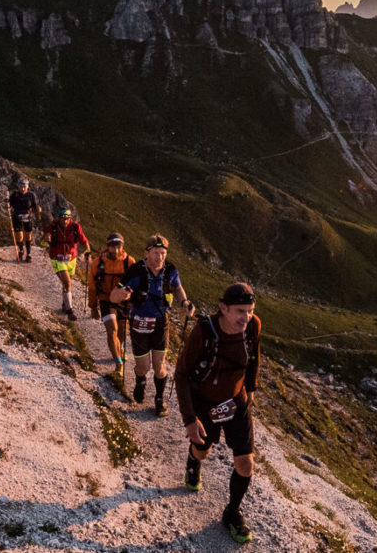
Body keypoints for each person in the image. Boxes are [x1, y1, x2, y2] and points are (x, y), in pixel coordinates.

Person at [176, 282, 262, 544]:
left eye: (249, 310)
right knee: (204, 450)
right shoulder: (203, 331)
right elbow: (181, 375)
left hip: (236, 402)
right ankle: (194, 460)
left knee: (246, 463)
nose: (245, 317)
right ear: (223, 308)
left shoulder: (253, 326)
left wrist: (251, 391)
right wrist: (191, 421)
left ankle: (232, 512)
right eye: (239, 311)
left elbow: (254, 358)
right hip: (204, 402)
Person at [110, 234, 190, 415]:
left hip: (161, 322)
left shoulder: (170, 270)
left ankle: (159, 399)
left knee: (160, 366)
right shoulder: (136, 271)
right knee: (143, 366)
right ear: (147, 253)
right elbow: (113, 296)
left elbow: (177, 288)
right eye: (156, 253)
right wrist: (122, 294)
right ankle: (141, 380)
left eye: (163, 253)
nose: (160, 257)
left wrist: (184, 302)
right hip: (139, 323)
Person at [86, 232, 136, 381]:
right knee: (111, 330)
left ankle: (119, 348)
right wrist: (93, 307)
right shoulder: (98, 262)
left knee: (121, 331)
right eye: (113, 246)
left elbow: (137, 282)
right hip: (106, 299)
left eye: (118, 246)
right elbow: (92, 286)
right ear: (107, 246)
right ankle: (118, 363)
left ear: (123, 246)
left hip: (123, 301)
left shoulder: (129, 262)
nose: (116, 249)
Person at [45, 207, 89, 316]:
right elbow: (46, 236)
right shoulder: (53, 226)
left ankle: (64, 304)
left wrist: (88, 253)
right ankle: (70, 310)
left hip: (71, 259)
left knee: (66, 283)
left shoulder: (75, 227)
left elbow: (83, 240)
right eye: (62, 218)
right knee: (67, 282)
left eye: (67, 219)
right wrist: (47, 239)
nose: (64, 221)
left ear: (70, 219)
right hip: (57, 258)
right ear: (59, 218)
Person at [6, 179, 40, 262]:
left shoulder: (31, 195)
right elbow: (9, 203)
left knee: (28, 236)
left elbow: (35, 205)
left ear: (27, 187)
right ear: (19, 186)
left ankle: (28, 254)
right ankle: (21, 250)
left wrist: (38, 209)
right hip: (17, 216)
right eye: (21, 186)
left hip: (28, 216)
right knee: (19, 236)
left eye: (24, 187)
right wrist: (8, 205)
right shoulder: (15, 195)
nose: (23, 188)